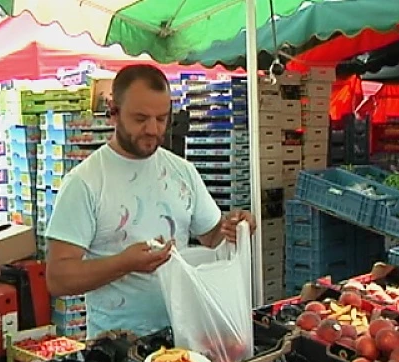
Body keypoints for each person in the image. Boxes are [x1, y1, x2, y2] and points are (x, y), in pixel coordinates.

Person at [44, 64, 255, 339]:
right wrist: (124, 263)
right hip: (117, 349)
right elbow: (58, 278)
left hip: (184, 335)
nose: (153, 129)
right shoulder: (85, 182)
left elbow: (213, 235)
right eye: (141, 118)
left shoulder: (182, 171)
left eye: (161, 118)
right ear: (114, 113)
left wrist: (236, 227)